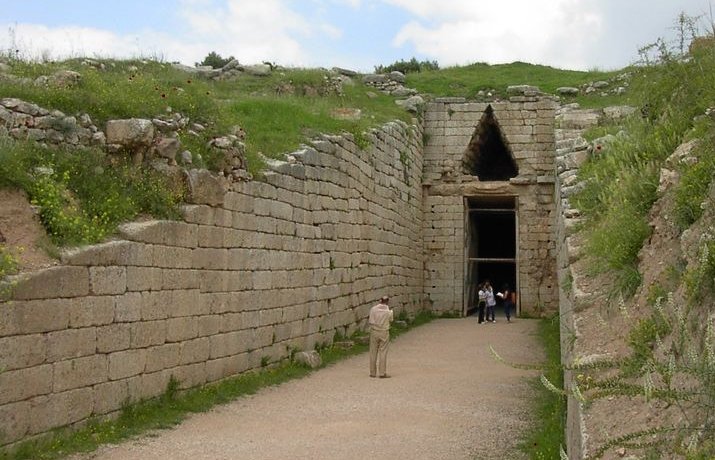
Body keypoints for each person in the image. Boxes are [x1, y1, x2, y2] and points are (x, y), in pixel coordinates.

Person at [369, 295, 394, 378]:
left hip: (374, 331)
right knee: (383, 352)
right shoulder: (389, 312)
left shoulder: (373, 309)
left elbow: (371, 321)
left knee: (373, 352)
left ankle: (372, 372)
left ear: (380, 301)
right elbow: (391, 320)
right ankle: (382, 373)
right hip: (384, 332)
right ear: (387, 302)